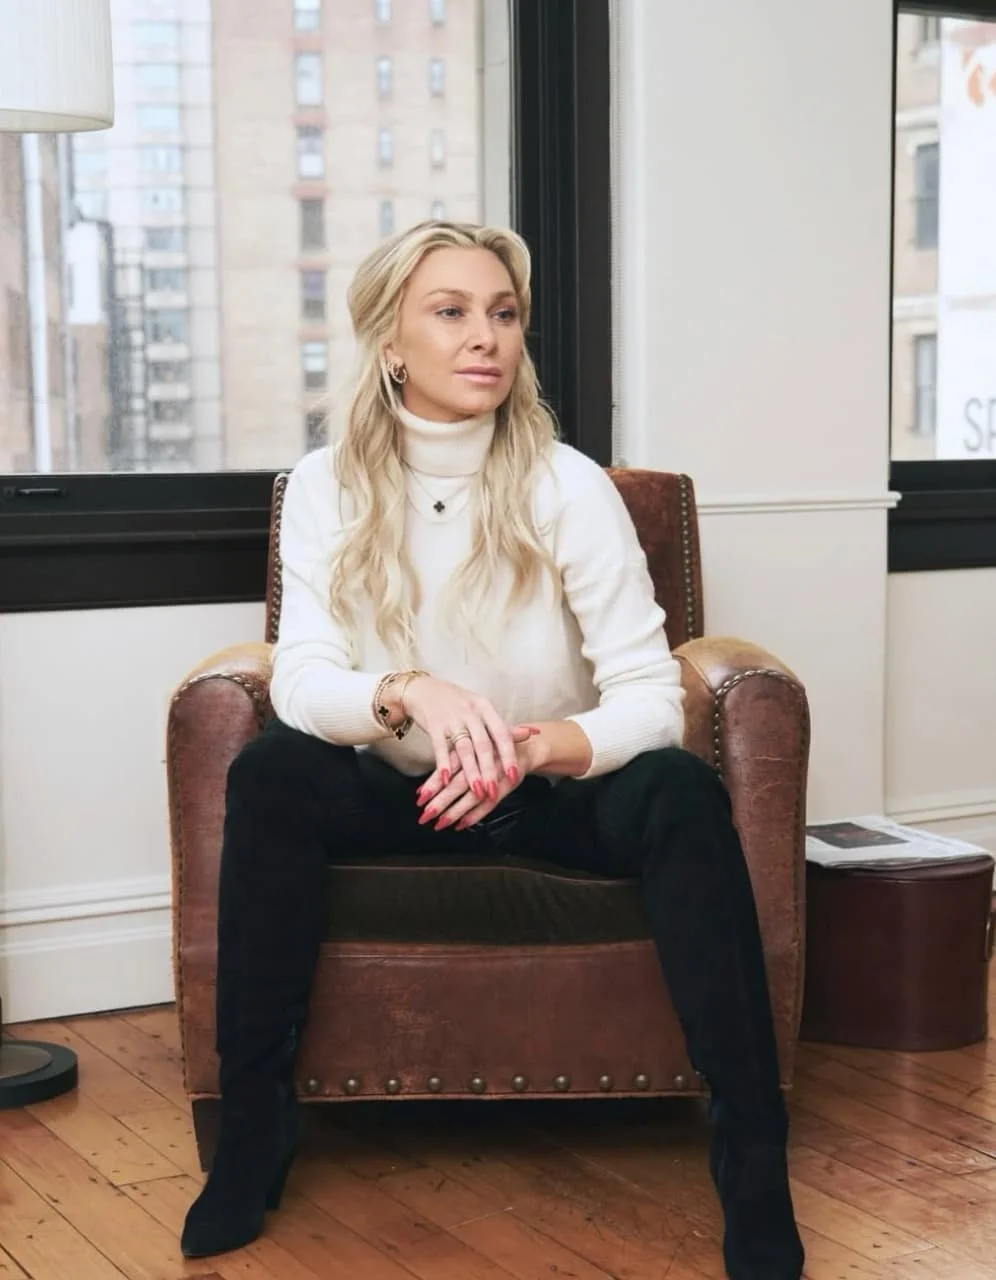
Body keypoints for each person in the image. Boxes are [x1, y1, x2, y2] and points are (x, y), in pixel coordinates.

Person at [180, 220, 804, 1280]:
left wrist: (536, 746)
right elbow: (301, 678)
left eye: (503, 313)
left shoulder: (567, 483)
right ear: (390, 342)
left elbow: (651, 694)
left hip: (548, 795)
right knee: (272, 770)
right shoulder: (327, 484)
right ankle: (254, 1130)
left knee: (677, 790)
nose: (487, 338)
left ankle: (753, 1157)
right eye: (453, 312)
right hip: (395, 793)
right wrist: (407, 689)